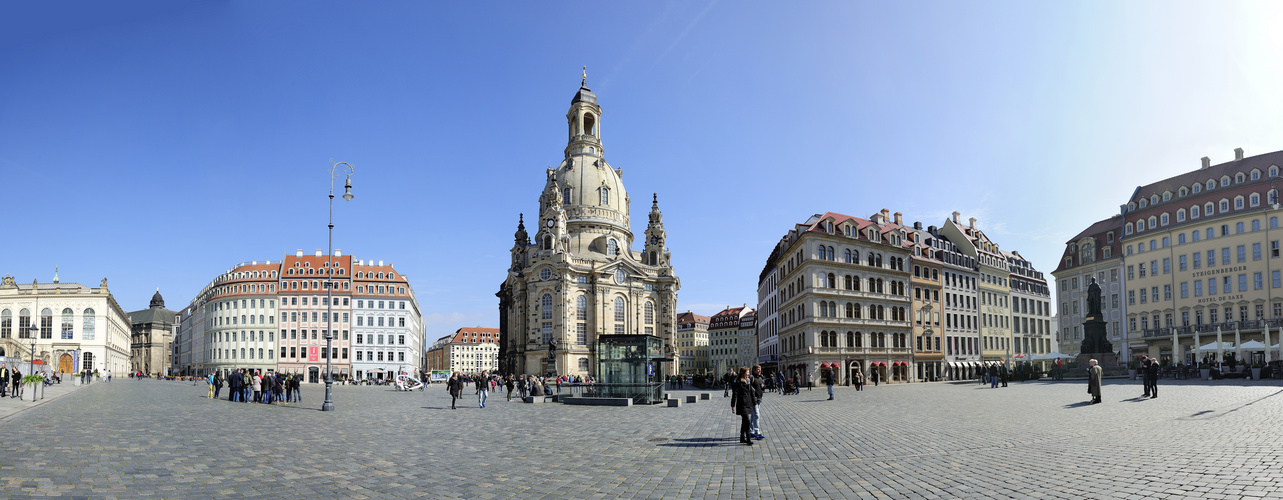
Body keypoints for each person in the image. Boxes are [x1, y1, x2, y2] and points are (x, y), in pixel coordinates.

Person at [729, 367, 756, 446]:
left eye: (748, 372)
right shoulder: (739, 382)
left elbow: (751, 392)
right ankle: (748, 439)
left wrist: (754, 402)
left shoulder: (748, 381)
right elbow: (735, 393)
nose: (749, 373)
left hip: (748, 403)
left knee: (744, 421)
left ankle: (742, 438)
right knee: (747, 420)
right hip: (742, 404)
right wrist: (733, 404)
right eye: (747, 372)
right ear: (743, 373)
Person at [749, 365, 766, 440]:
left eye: (760, 369)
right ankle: (757, 431)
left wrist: (763, 386)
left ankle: (750, 431)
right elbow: (749, 389)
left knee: (753, 415)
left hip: (759, 398)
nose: (759, 371)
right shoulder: (751, 378)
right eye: (758, 370)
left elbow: (762, 388)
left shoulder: (760, 378)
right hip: (753, 399)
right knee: (756, 415)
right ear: (754, 370)